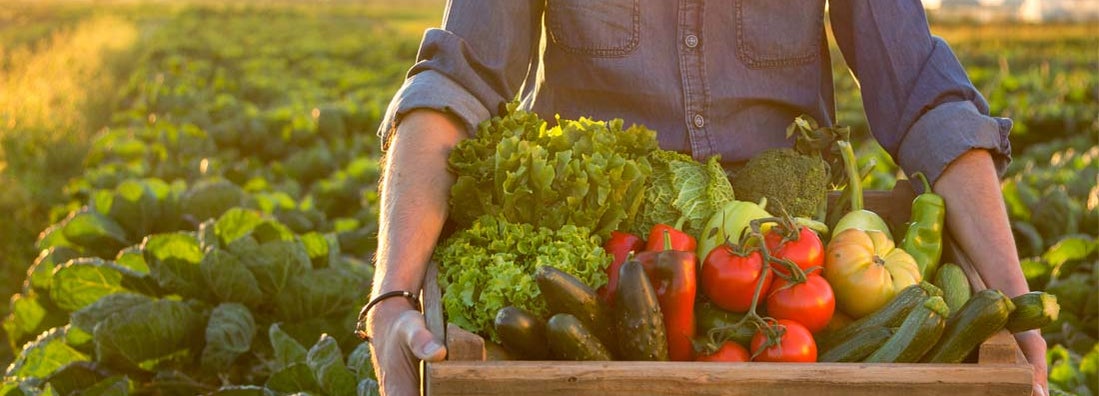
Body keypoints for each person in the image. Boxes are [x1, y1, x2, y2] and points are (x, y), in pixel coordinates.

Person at [362, 1, 1048, 395]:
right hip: (594, 268)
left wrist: (1012, 300)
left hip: (787, 265)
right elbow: (452, 86)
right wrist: (392, 297)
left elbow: (925, 94)